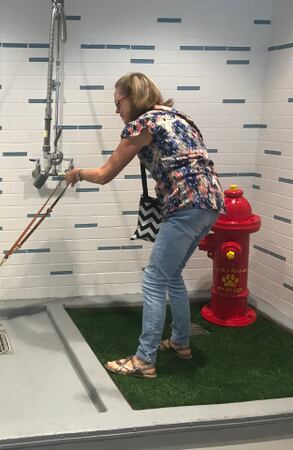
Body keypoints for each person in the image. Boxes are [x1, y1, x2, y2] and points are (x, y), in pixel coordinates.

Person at [64, 72, 225, 378]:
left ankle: (144, 360)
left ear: (131, 97)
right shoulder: (179, 117)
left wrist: (78, 173)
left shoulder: (141, 125)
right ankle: (180, 342)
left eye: (117, 103)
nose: (117, 111)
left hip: (185, 206)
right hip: (211, 205)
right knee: (172, 275)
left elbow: (104, 173)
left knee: (153, 279)